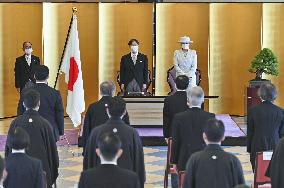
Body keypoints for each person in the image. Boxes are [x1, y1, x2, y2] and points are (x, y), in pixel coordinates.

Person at [83, 96, 145, 187]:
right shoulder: (132, 133)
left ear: (107, 110)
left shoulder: (96, 132)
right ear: (124, 112)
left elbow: (88, 161)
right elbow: (138, 162)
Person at [5, 89, 59, 188]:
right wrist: (52, 174)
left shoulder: (16, 123)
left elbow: (8, 149)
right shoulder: (45, 124)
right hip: (42, 172)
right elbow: (53, 153)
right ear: (39, 103)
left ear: (23, 104)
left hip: (17, 173)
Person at [171, 86, 215, 188]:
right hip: (204, 158)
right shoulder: (210, 116)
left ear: (188, 100)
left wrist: (174, 162)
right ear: (203, 100)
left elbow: (176, 141)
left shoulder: (178, 118)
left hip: (184, 157)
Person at [183, 119, 245, 188]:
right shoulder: (233, 160)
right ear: (223, 137)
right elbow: (241, 186)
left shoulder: (194, 159)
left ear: (204, 136)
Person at [17, 65, 64, 141]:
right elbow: (59, 114)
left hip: (29, 130)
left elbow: (20, 112)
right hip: (50, 131)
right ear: (48, 76)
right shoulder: (55, 93)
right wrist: (61, 132)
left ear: (34, 76)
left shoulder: (26, 92)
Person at [247, 83, 284, 170]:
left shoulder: (253, 111)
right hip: (276, 145)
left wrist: (250, 149)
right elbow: (282, 134)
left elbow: (250, 132)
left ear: (260, 95)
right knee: (275, 172)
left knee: (258, 172)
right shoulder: (281, 112)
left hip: (257, 145)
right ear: (275, 95)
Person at [82, 81, 130, 149]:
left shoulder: (92, 107)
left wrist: (86, 151)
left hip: (97, 147)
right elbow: (127, 127)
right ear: (113, 91)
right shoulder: (119, 106)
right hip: (117, 147)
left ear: (100, 92)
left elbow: (86, 130)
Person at [163, 75, 189, 139]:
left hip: (173, 133)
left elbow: (166, 119)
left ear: (175, 85)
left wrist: (166, 135)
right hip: (189, 133)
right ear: (187, 85)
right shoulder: (191, 99)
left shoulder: (168, 99)